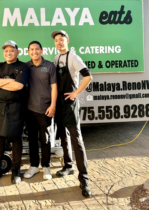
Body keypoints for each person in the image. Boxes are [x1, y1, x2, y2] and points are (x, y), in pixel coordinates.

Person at [51, 30, 93, 198]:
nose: (59, 42)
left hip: (70, 102)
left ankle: (84, 179)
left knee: (76, 139)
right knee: (63, 135)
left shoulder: (73, 57)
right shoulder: (56, 59)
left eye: (61, 39)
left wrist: (76, 93)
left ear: (67, 41)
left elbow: (88, 76)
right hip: (59, 103)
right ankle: (68, 165)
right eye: (56, 40)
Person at [0, 40, 29, 185]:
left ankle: (16, 171)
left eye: (11, 50)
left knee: (16, 139)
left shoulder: (23, 66)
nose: (8, 53)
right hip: (0, 108)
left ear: (17, 52)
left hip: (17, 108)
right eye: (6, 51)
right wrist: (9, 82)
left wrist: (1, 81)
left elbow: (19, 85)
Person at [24, 41, 57, 180]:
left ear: (42, 51)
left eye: (37, 49)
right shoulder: (25, 67)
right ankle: (33, 166)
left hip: (45, 109)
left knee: (45, 139)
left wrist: (53, 105)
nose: (34, 52)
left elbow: (54, 87)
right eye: (31, 49)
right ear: (28, 52)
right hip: (30, 109)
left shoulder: (49, 66)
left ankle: (46, 167)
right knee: (32, 139)